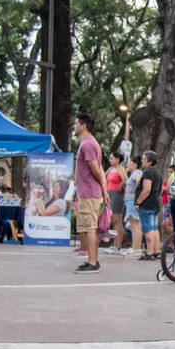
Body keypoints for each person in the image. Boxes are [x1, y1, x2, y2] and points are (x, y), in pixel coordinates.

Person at [73, 113, 110, 274]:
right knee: (90, 228)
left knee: (89, 228)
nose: (74, 126)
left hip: (89, 192)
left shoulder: (88, 144)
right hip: (88, 191)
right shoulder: (89, 143)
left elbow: (96, 169)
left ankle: (92, 262)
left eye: (76, 124)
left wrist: (104, 189)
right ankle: (92, 260)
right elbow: (100, 169)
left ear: (83, 126)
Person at [136, 150, 163, 260]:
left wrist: (138, 202)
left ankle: (149, 252)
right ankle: (156, 251)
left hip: (147, 204)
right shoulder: (157, 172)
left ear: (150, 161)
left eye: (144, 159)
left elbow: (146, 190)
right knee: (154, 228)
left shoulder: (148, 172)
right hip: (155, 202)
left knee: (148, 229)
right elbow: (160, 189)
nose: (142, 161)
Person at [103, 151, 127, 254]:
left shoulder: (120, 169)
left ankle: (118, 245)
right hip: (110, 193)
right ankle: (114, 244)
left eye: (112, 158)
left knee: (117, 220)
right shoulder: (112, 168)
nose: (110, 160)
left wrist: (120, 187)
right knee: (113, 220)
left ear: (117, 159)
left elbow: (125, 179)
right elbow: (103, 175)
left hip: (117, 194)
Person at [122, 158, 143, 255]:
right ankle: (137, 247)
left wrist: (134, 190)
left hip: (131, 200)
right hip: (131, 200)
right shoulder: (136, 173)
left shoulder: (136, 173)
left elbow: (138, 181)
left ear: (135, 164)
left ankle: (135, 247)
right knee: (137, 226)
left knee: (134, 225)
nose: (128, 165)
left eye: (130, 163)